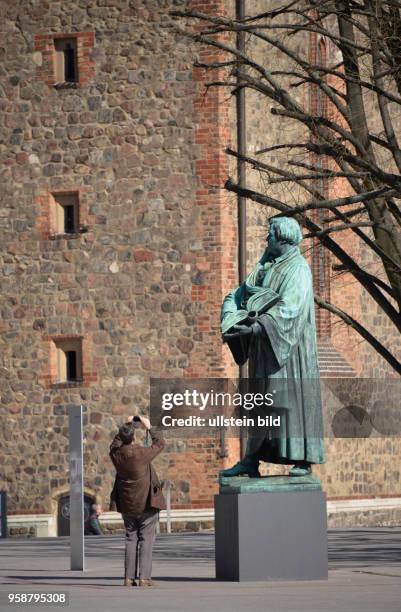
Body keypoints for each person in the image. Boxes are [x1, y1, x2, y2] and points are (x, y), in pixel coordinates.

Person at [220, 216, 325, 478]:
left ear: (283, 238)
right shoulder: (265, 266)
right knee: (260, 403)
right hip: (264, 348)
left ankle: (302, 458)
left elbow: (290, 309)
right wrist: (231, 315)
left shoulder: (298, 269)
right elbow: (240, 293)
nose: (266, 239)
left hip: (288, 352)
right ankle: (251, 459)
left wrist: (257, 327)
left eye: (270, 234)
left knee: (286, 402)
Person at [109, 415, 165, 587]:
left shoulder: (116, 454)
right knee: (146, 540)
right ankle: (144, 578)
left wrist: (128, 425)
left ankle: (128, 578)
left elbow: (114, 444)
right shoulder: (141, 453)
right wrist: (149, 426)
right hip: (146, 504)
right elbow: (160, 444)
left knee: (130, 539)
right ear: (134, 437)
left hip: (126, 504)